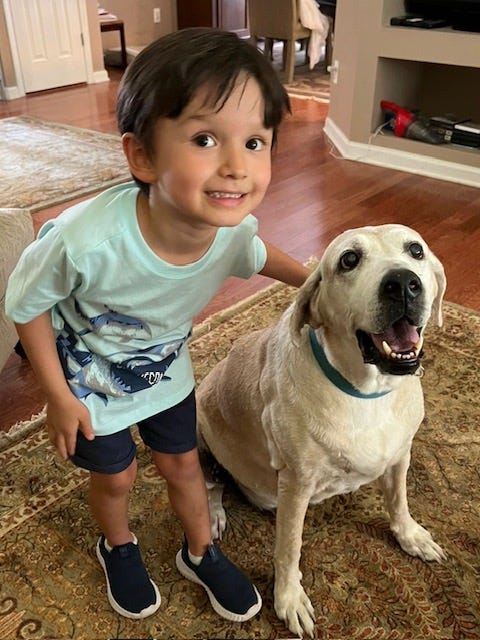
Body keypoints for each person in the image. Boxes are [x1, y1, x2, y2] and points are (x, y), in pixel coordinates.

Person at [5, 28, 311, 622]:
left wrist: (318, 284)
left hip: (164, 369)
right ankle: (117, 545)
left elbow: (260, 255)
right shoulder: (85, 241)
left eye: (255, 142)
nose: (235, 167)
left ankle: (200, 551)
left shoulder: (229, 233)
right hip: (88, 380)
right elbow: (25, 305)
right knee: (116, 477)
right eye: (204, 138)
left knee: (184, 463)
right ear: (142, 156)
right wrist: (58, 397)